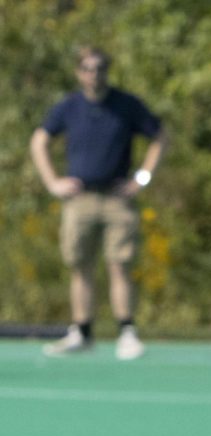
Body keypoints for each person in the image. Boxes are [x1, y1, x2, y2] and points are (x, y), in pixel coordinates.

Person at [30, 45, 166, 360]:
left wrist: (142, 179)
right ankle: (83, 331)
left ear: (107, 70)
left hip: (117, 197)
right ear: (79, 72)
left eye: (100, 67)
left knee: (119, 263)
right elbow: (39, 141)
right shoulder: (68, 107)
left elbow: (160, 137)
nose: (95, 74)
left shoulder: (126, 105)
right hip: (79, 198)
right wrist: (53, 182)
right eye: (88, 68)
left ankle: (127, 332)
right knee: (80, 264)